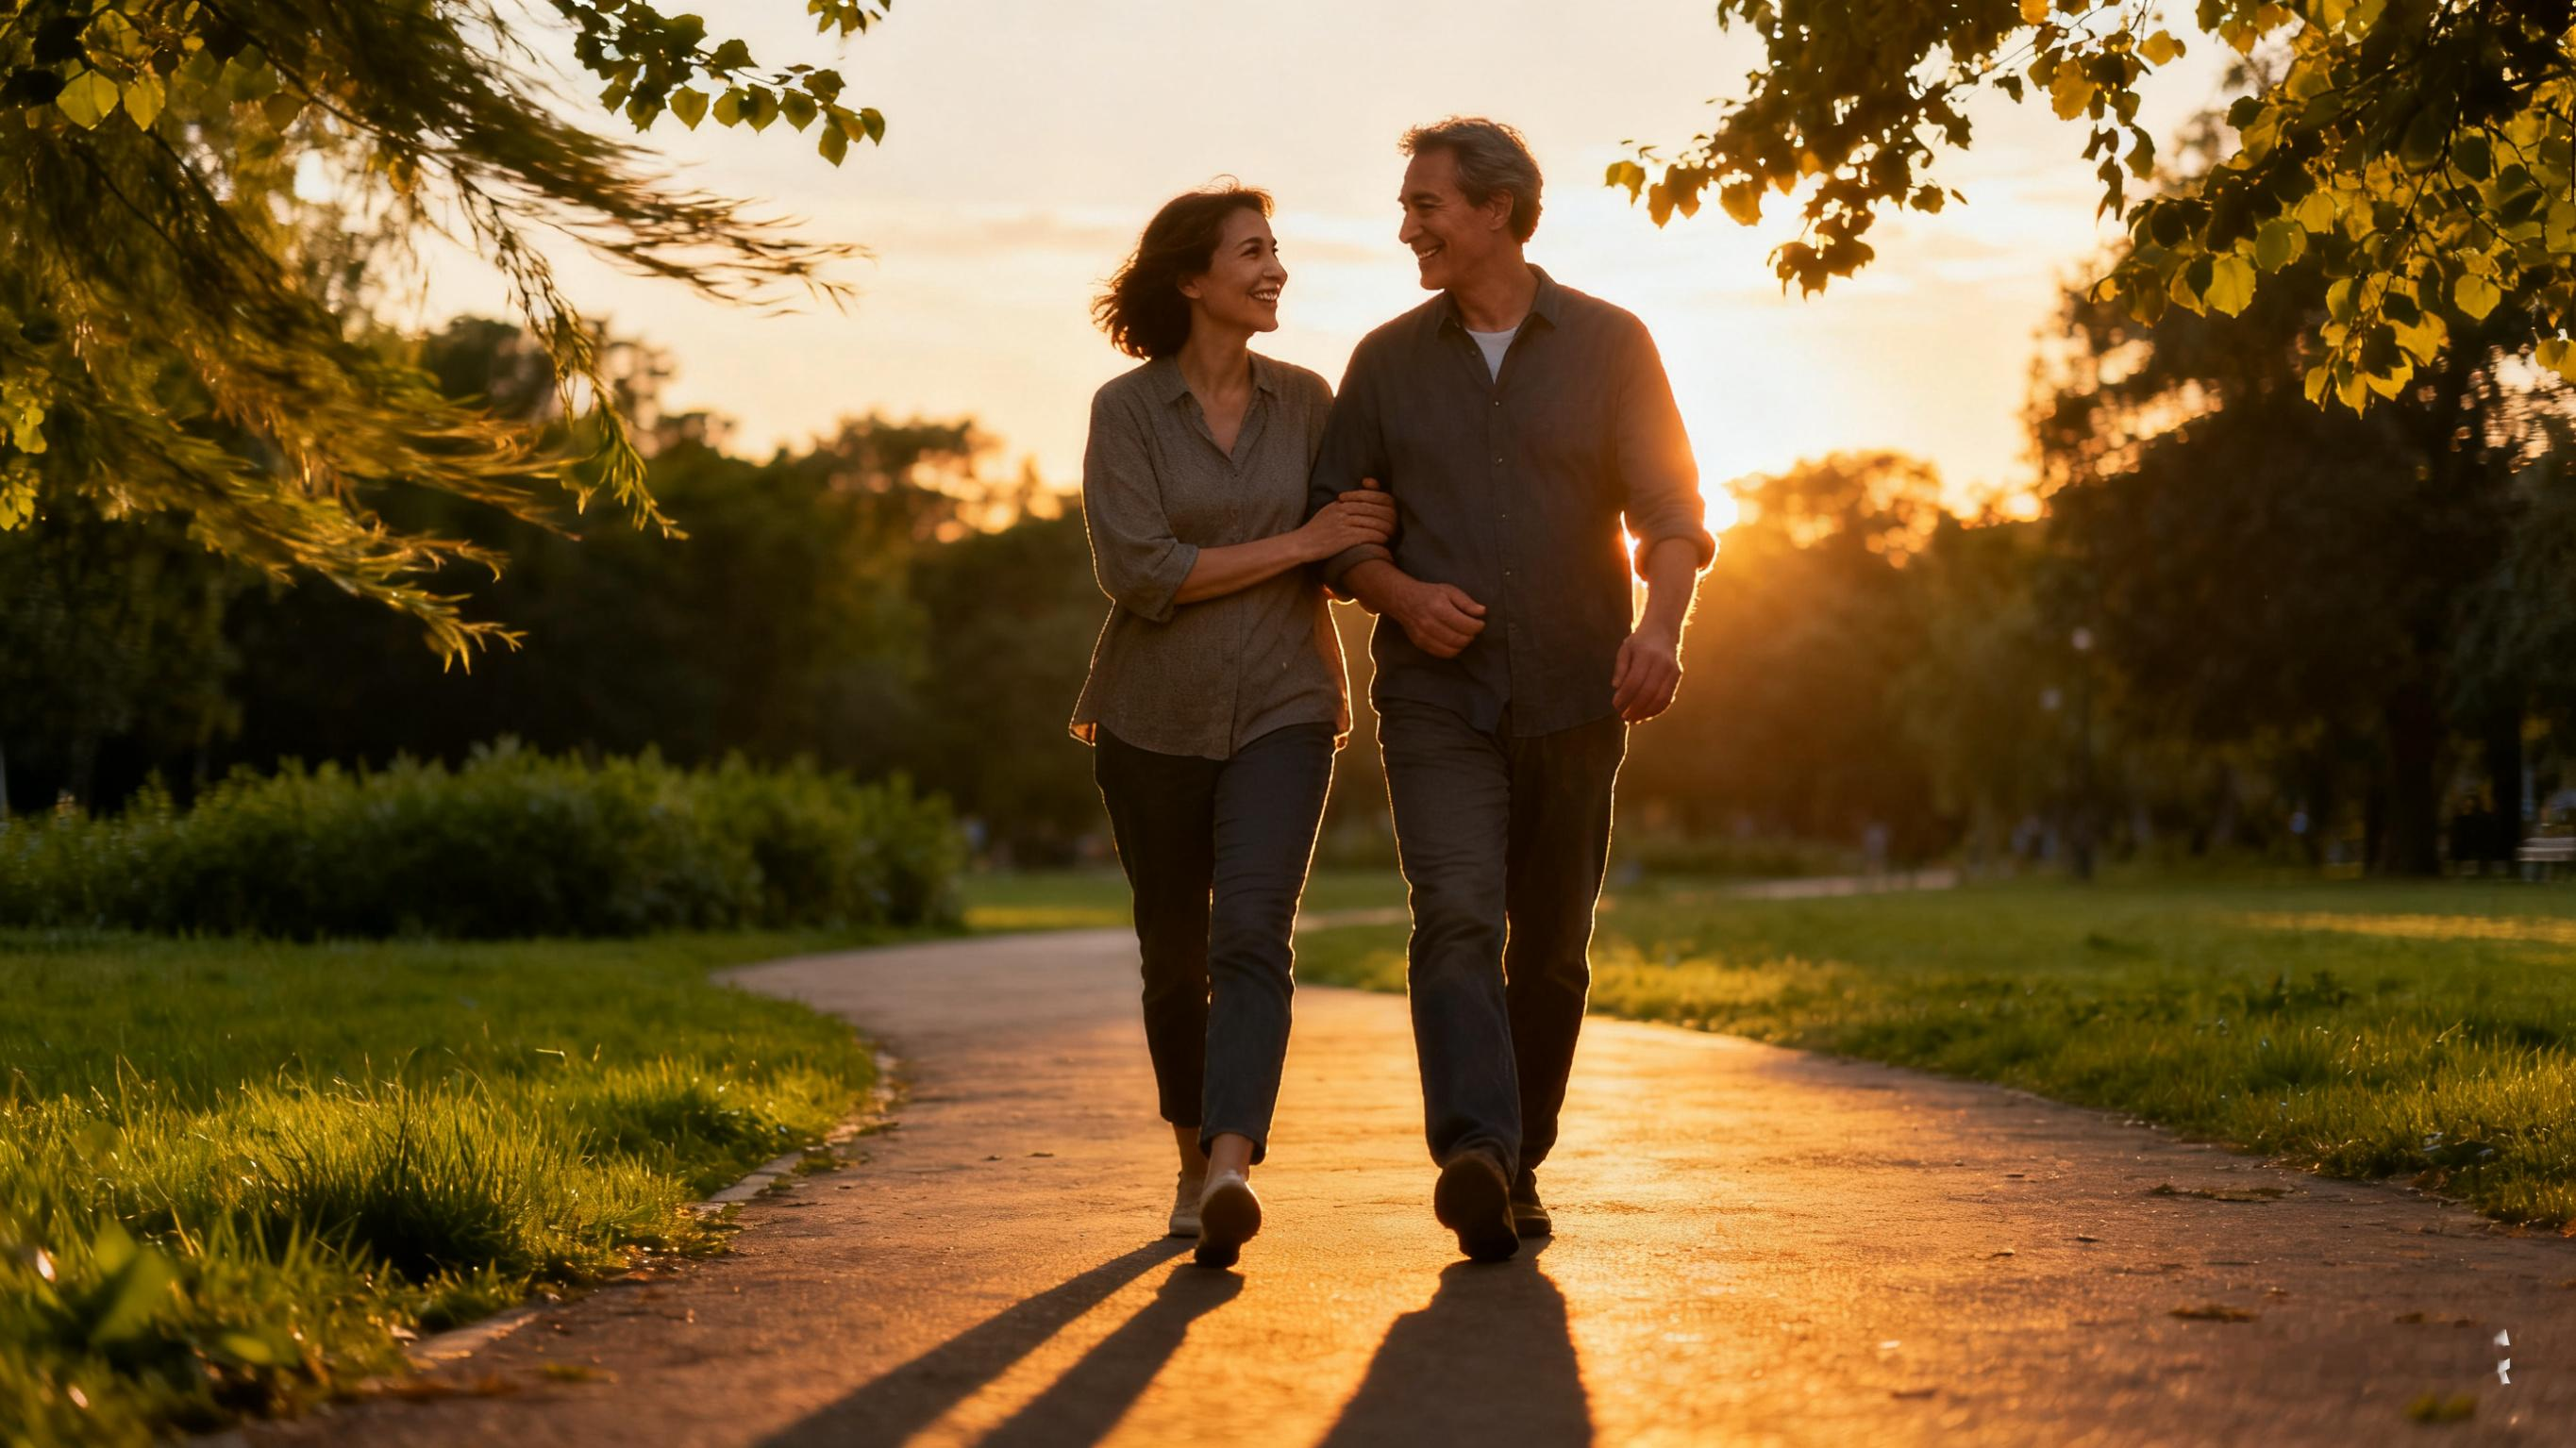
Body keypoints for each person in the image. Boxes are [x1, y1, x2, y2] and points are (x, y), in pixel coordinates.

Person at [1306, 119, 1715, 1262]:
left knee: (1550, 951)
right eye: (1406, 206)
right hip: (1437, 697)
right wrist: (1400, 594)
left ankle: (1517, 1164)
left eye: (1425, 204)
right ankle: (1475, 1153)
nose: (1407, 226)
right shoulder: (1385, 363)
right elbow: (1338, 531)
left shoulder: (1612, 343)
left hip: (1579, 694)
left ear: (1497, 209)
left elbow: (1672, 514)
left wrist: (1663, 628)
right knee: (1456, 917)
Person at [1072, 183, 1398, 1269]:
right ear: (1192, 278)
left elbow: (1358, 526)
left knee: (1251, 933)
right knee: (1173, 954)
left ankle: (1227, 1170)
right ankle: (1186, 1153)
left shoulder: (1309, 400)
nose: (1275, 269)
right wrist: (1297, 545)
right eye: (1253, 251)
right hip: (1149, 715)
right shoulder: (1126, 413)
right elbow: (1140, 570)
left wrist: (1350, 550)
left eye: (1277, 250)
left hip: (1285, 708)